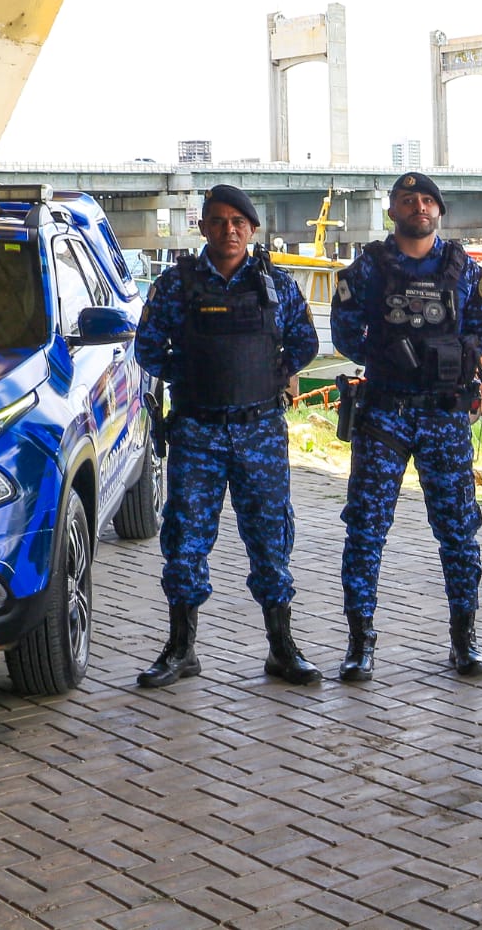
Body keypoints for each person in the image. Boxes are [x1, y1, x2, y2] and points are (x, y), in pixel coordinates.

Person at [133, 184, 322, 688]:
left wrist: (269, 372)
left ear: (252, 229)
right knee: (185, 540)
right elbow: (147, 348)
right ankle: (180, 649)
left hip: (260, 431)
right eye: (218, 221)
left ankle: (282, 648)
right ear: (203, 228)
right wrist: (191, 373)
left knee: (271, 540)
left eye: (239, 223)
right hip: (197, 431)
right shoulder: (175, 285)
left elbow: (305, 342)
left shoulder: (276, 285)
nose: (229, 230)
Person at [330, 171, 482, 680]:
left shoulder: (465, 269)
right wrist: (388, 356)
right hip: (385, 413)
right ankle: (360, 641)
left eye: (426, 200)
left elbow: (481, 331)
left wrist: (446, 360)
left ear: (438, 210)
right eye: (407, 200)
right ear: (393, 210)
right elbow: (345, 333)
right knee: (365, 528)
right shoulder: (368, 268)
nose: (418, 207)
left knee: (459, 529)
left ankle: (464, 639)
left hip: (444, 414)